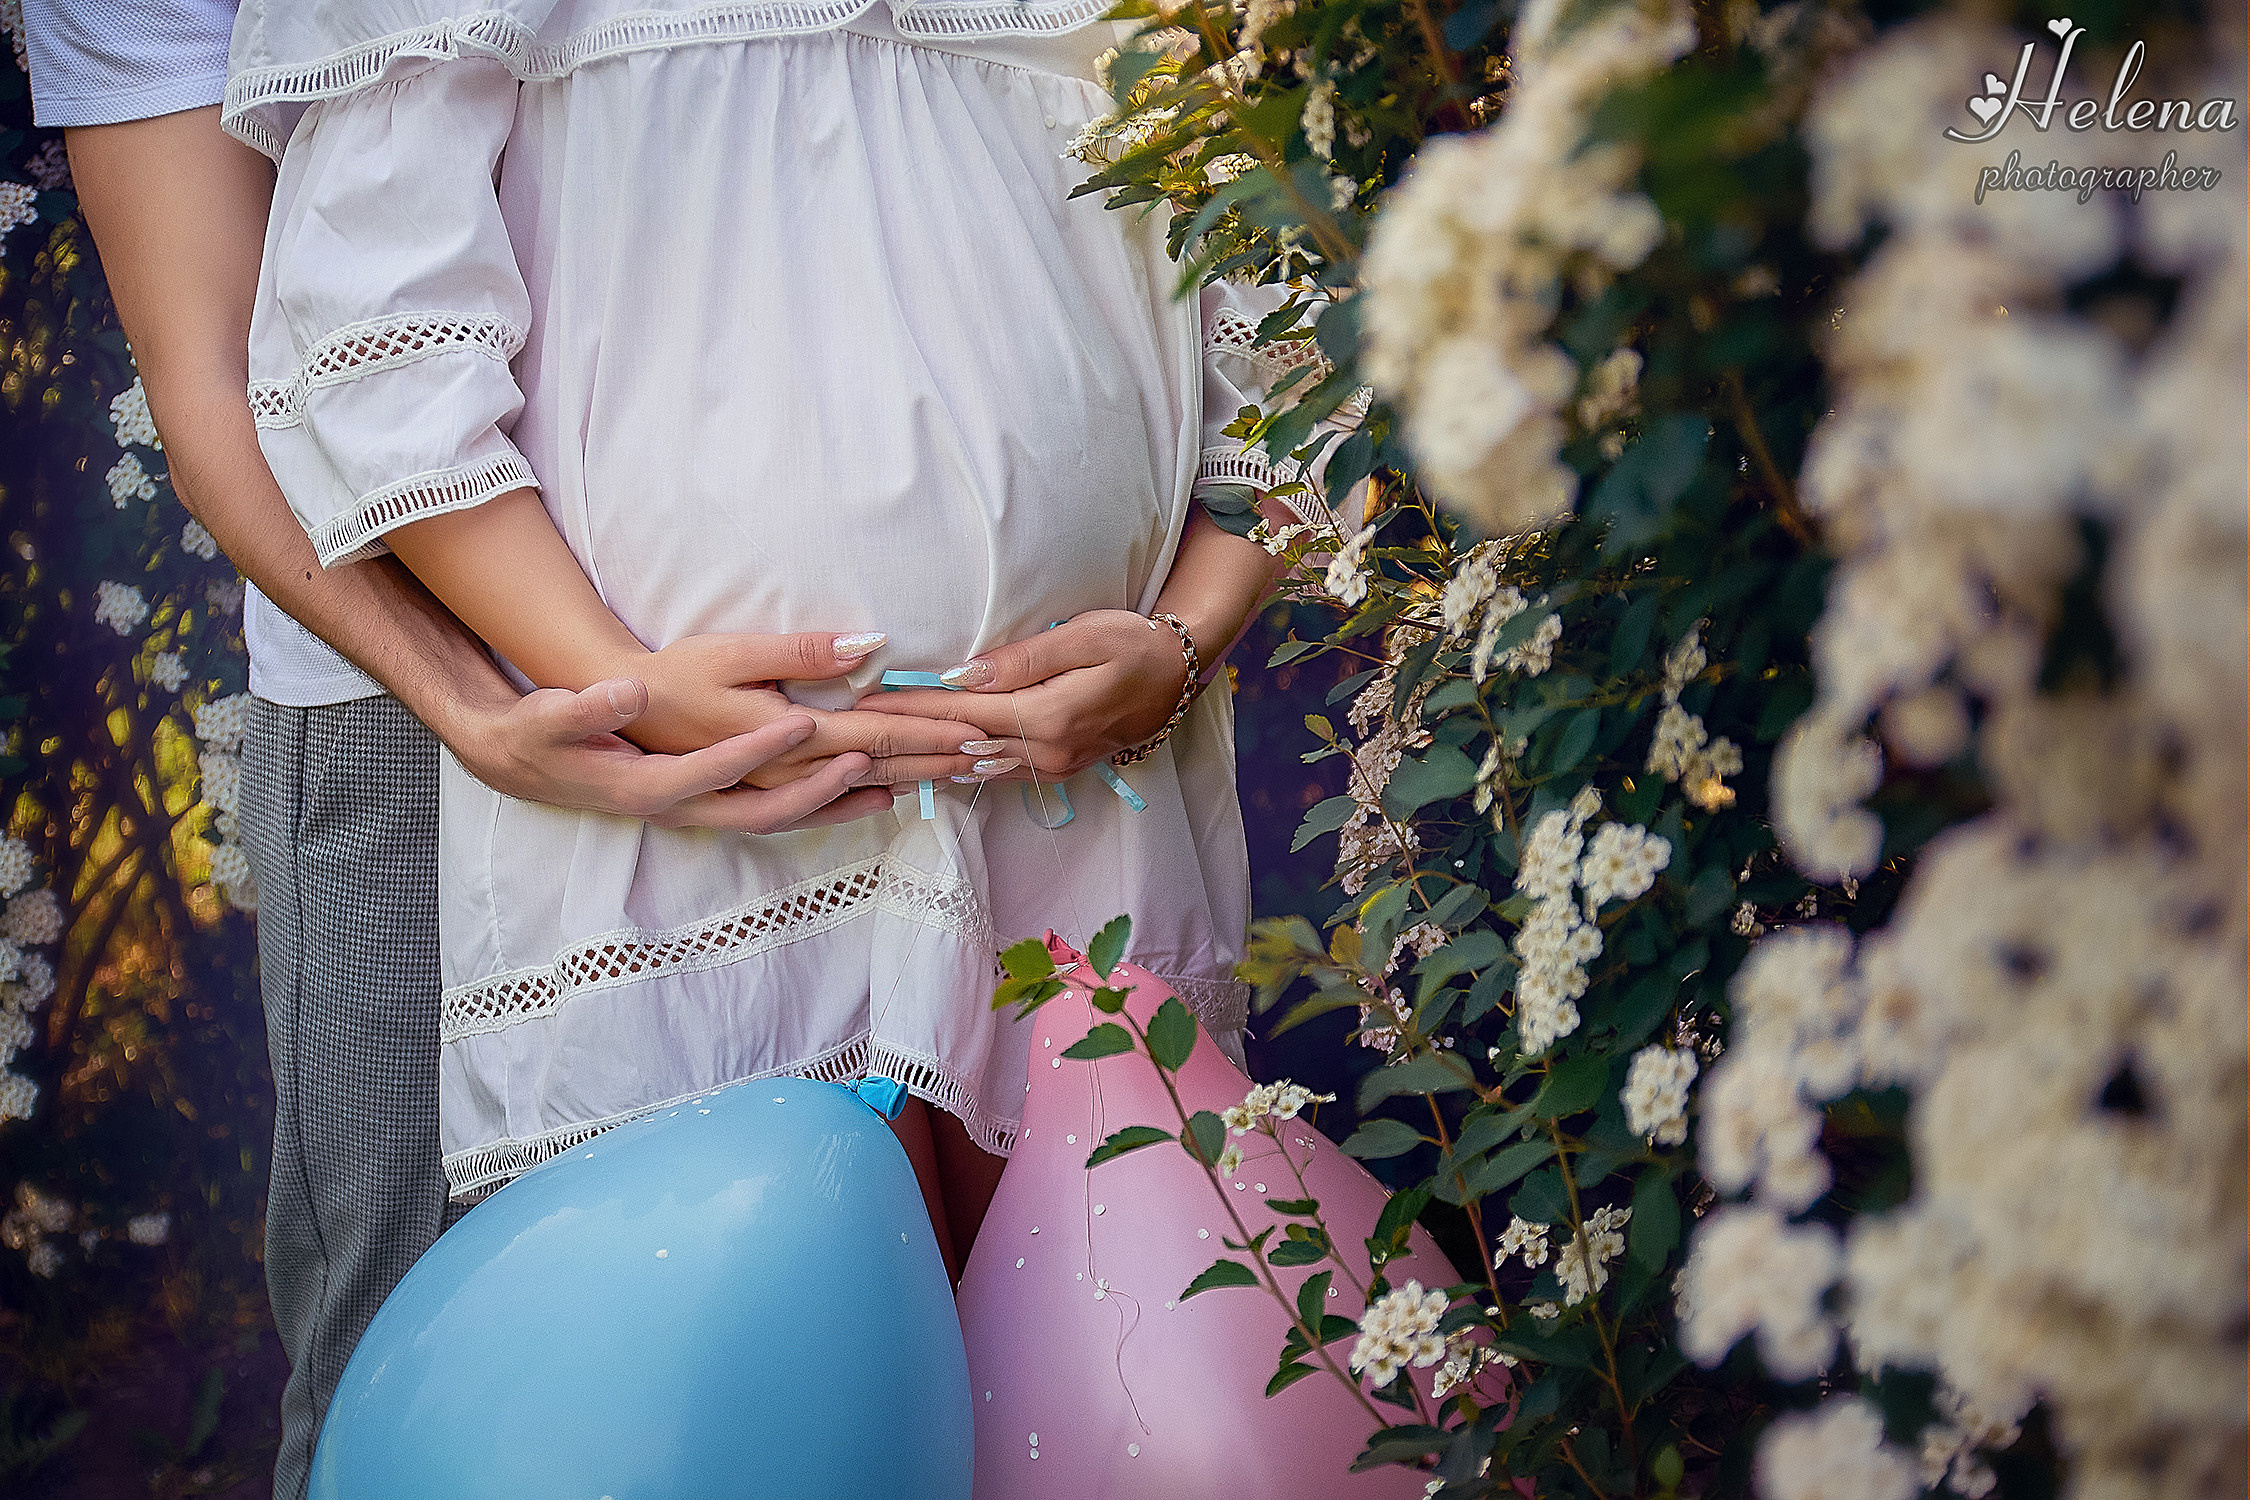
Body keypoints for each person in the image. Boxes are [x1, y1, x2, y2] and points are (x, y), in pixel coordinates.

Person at [23, 6, 983, 1495]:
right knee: (433, 1342)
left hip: (864, 693)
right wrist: (476, 701)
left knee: (893, 1354)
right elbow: (210, 371)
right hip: (422, 724)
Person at [225, 0, 1340, 1279]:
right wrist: (616, 677)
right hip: (691, 821)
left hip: (1084, 800)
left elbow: (1300, 362)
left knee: (1113, 1355)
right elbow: (372, 344)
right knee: (759, 1355)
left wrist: (1186, 640)